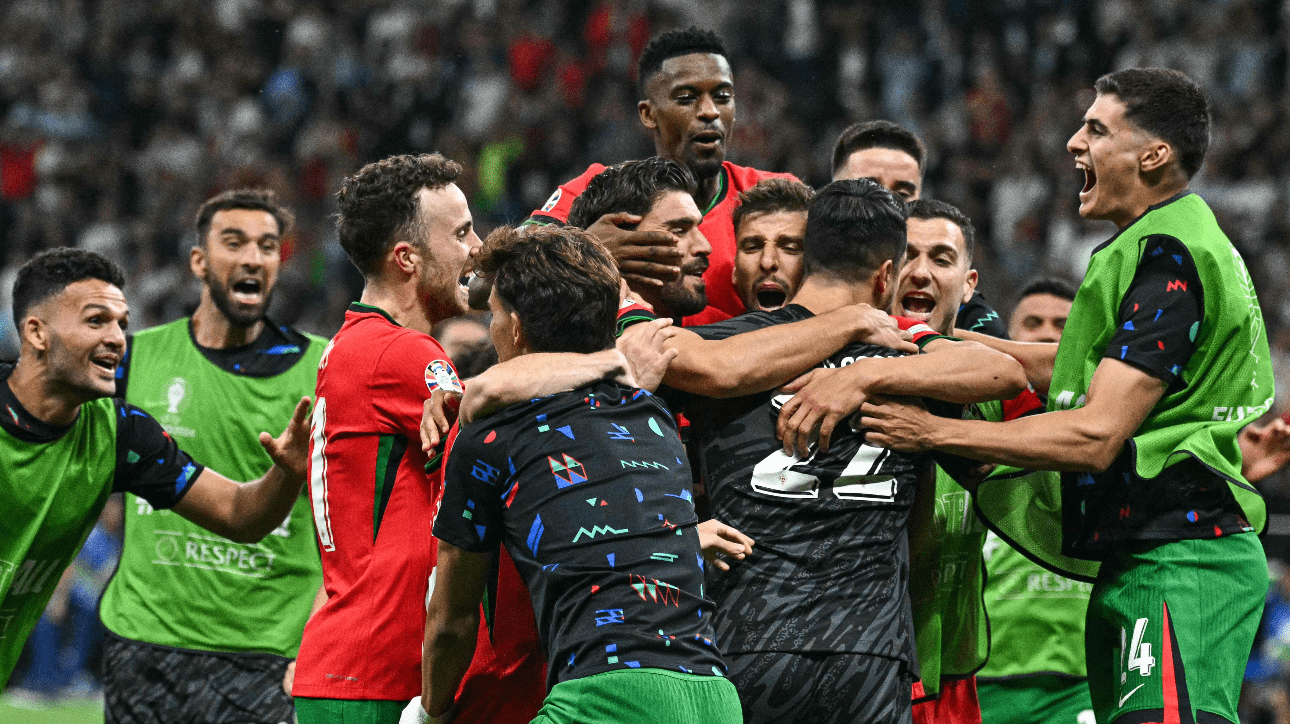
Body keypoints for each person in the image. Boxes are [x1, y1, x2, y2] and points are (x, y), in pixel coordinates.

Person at [860, 68, 1273, 724]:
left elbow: (1096, 433)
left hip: (1179, 557)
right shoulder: (1157, 246)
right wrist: (929, 339)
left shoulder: (1171, 256)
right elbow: (1073, 367)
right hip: (1142, 557)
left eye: (1096, 129)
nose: (1073, 143)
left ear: (1153, 154)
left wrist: (933, 433)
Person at [681, 180, 1026, 724]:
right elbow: (1004, 373)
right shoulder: (913, 357)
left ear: (804, 258)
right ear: (886, 275)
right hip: (868, 648)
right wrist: (872, 370)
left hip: (747, 635)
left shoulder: (723, 348)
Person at [421, 224, 743, 724]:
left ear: (517, 329)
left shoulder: (492, 434)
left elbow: (452, 621)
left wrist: (429, 712)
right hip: (716, 697)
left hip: (605, 700)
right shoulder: (653, 416)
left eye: (498, 315)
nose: (493, 329)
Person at [0, 247, 311, 687]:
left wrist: (286, 472)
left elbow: (240, 515)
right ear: (36, 332)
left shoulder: (121, 436)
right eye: (96, 321)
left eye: (122, 325)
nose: (117, 338)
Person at [96, 189, 326, 724]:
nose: (253, 257)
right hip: (143, 642)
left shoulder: (325, 368)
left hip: (269, 654)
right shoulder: (134, 360)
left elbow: (363, 528)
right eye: (234, 242)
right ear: (199, 261)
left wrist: (322, 638)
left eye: (268, 247)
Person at [527, 27, 795, 325]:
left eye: (722, 96)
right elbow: (490, 279)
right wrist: (584, 252)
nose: (710, 111)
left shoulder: (776, 196)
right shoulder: (601, 190)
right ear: (648, 114)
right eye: (686, 98)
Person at [974, 278, 1096, 724]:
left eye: (1063, 325)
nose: (1047, 334)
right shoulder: (971, 423)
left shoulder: (1115, 433)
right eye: (1032, 323)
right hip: (979, 676)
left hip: (1080, 681)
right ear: (1008, 340)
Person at [832, 119, 1008, 339]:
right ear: (829, 199)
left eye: (902, 196)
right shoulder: (790, 270)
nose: (886, 207)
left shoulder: (961, 308)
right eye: (867, 191)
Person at [730, 179, 811, 313]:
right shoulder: (702, 331)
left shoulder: (854, 327)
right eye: (752, 248)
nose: (767, 262)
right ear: (735, 271)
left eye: (790, 248)